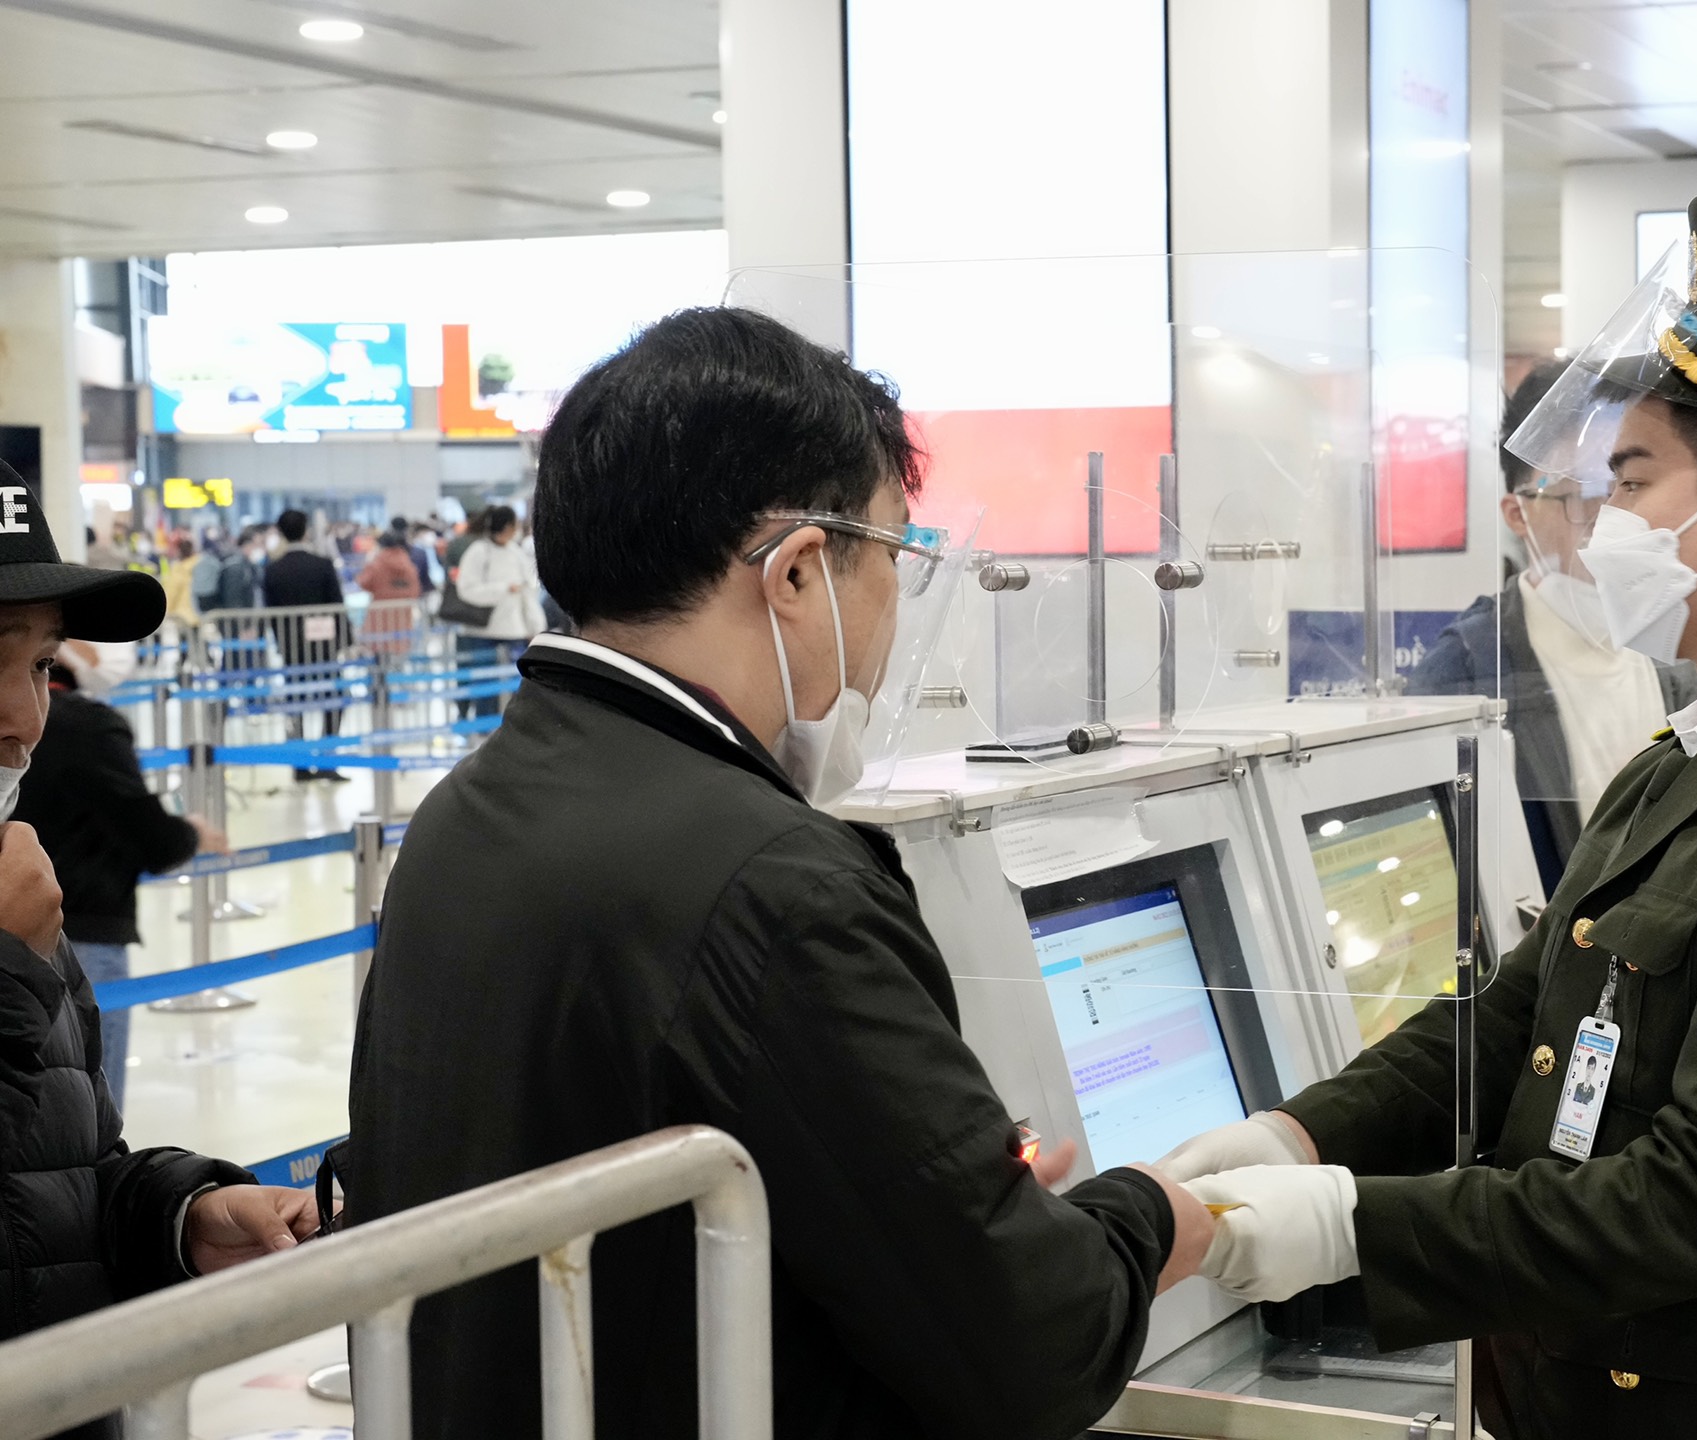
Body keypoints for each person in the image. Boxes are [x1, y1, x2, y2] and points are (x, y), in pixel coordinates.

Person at [1159, 197, 1697, 1438]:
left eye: (1633, 481)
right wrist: (1295, 1135)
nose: (1601, 525)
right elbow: (1511, 1017)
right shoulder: (1691, 754)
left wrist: (1351, 1226)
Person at [346, 307, 1208, 1440]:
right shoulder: (779, 887)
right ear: (798, 571)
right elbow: (1032, 1345)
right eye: (894, 556)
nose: (895, 606)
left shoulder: (468, 811)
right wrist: (1152, 1212)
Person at [0, 464, 320, 1412]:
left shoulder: (22, 905)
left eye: (39, 665)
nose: (24, 721)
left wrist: (178, 1216)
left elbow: (54, 1185)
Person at [1408, 360, 1697, 891]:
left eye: (1627, 486)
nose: (1610, 518)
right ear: (1517, 514)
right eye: (1581, 496)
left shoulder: (1681, 642)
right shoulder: (1468, 671)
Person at [20, 637, 227, 1107]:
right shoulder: (87, 727)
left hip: (27, 930)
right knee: (89, 1114)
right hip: (79, 938)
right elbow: (152, 838)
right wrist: (190, 833)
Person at [261, 509, 349, 783]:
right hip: (324, 647)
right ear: (306, 530)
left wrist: (280, 642)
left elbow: (271, 611)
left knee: (295, 703)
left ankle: (299, 766)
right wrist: (346, 641)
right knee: (334, 701)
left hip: (292, 648)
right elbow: (337, 604)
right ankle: (327, 760)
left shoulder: (272, 569)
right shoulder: (322, 565)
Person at [452, 503, 543, 719]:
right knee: (485, 685)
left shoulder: (516, 553)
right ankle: (483, 728)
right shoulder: (478, 552)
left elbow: (527, 593)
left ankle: (511, 728)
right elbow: (466, 589)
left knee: (516, 686)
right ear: (508, 526)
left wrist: (535, 627)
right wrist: (503, 589)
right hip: (482, 632)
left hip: (514, 631)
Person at [356, 519, 425, 663]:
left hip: (379, 616)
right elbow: (415, 589)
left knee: (380, 654)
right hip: (402, 615)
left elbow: (363, 582)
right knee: (400, 653)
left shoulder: (377, 564)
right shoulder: (408, 565)